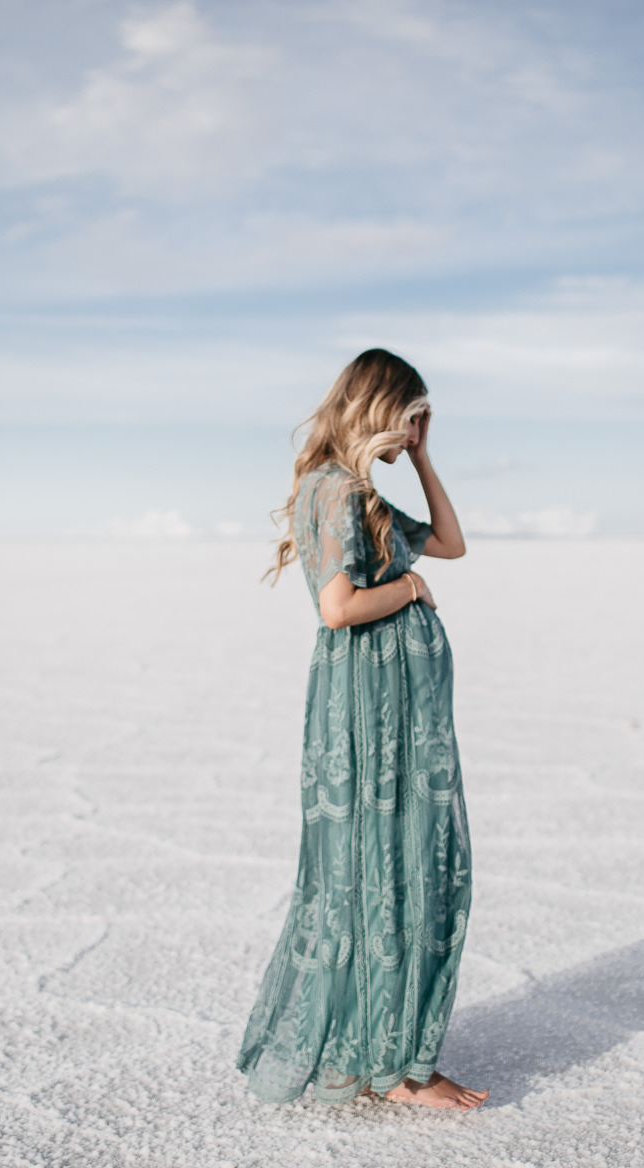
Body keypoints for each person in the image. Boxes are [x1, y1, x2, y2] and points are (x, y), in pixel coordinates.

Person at [236, 349, 487, 1110]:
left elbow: (451, 542)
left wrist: (422, 462)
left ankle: (385, 1060)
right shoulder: (339, 490)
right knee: (394, 869)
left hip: (382, 702)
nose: (413, 429)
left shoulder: (350, 490)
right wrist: (410, 588)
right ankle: (401, 1072)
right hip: (372, 705)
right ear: (379, 405)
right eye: (410, 416)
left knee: (379, 868)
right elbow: (339, 607)